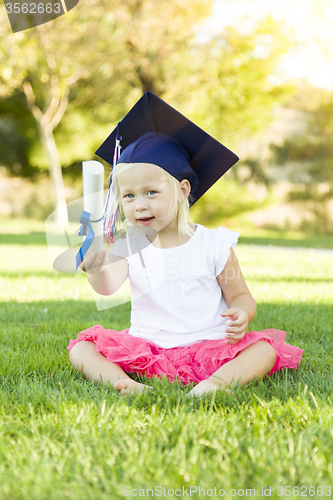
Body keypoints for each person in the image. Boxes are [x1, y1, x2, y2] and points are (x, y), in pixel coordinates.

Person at [68, 92, 303, 397]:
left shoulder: (213, 243)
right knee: (82, 348)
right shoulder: (130, 245)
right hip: (147, 348)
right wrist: (97, 268)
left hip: (210, 346)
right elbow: (107, 287)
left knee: (263, 350)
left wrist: (243, 314)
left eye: (151, 192)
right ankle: (123, 383)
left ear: (182, 190)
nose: (139, 205)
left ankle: (214, 385)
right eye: (129, 196)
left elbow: (241, 295)